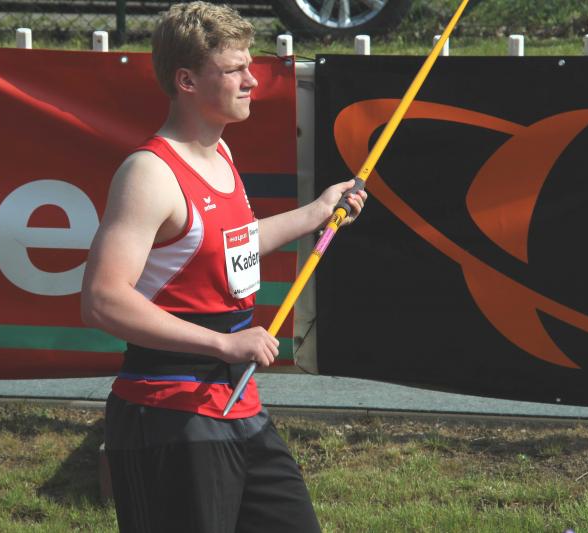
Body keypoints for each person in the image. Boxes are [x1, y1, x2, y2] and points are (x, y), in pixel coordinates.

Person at [81, 2, 367, 531]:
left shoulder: (220, 155)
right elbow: (103, 300)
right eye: (234, 69)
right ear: (186, 80)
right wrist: (222, 344)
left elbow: (231, 245)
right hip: (169, 413)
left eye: (249, 66)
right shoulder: (149, 174)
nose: (252, 81)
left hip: (237, 405)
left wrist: (317, 212)